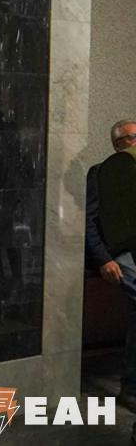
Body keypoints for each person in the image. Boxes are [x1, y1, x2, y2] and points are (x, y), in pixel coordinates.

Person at [85, 119, 136, 413]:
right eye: (133, 137)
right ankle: (131, 388)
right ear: (118, 144)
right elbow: (89, 220)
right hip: (118, 252)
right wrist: (103, 258)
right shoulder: (101, 173)